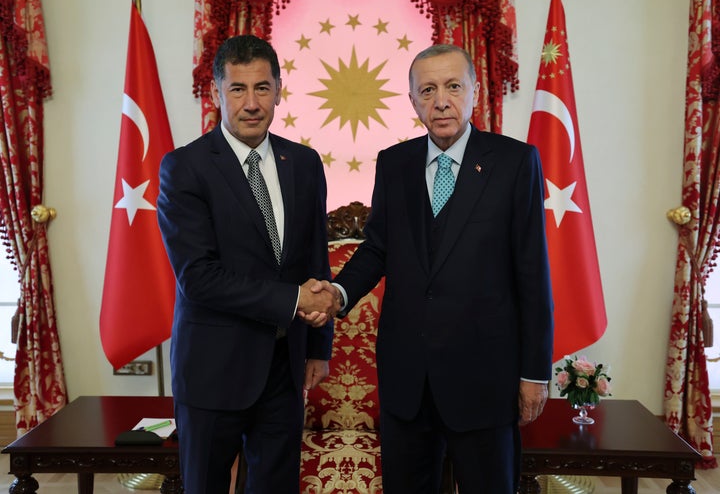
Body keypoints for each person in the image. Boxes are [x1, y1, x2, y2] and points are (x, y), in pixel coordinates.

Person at [315, 44, 554, 493]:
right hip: (408, 381)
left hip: (484, 379)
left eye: (452, 86)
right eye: (427, 90)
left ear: (475, 92)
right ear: (412, 100)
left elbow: (532, 274)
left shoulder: (515, 162)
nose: (440, 100)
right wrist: (337, 294)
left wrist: (534, 373)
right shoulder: (394, 164)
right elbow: (377, 249)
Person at [157, 35, 339, 494]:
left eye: (262, 88)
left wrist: (318, 345)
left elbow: (315, 256)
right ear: (217, 93)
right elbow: (198, 278)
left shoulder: (303, 162)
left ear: (279, 90)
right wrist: (295, 299)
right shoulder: (185, 168)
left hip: (284, 365)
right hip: (212, 368)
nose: (251, 103)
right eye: (238, 89)